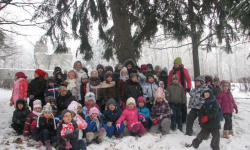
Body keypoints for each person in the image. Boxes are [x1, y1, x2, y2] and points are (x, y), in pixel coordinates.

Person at [167, 57, 192, 123]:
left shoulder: (184, 70)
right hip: (173, 90)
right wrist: (168, 88)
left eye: (176, 63)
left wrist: (189, 87)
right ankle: (175, 119)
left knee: (182, 104)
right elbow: (169, 80)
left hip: (182, 89)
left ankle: (183, 118)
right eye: (174, 63)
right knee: (173, 104)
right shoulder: (172, 71)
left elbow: (188, 79)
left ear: (180, 63)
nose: (175, 65)